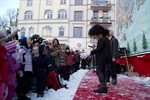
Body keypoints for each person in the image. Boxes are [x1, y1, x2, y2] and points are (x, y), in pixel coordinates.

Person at [81, 25, 111, 93]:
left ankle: (103, 87)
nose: (94, 36)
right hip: (105, 59)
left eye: (94, 35)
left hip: (101, 59)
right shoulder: (106, 39)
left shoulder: (101, 39)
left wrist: (90, 52)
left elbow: (99, 49)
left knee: (99, 71)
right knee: (102, 72)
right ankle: (103, 84)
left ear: (98, 33)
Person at [0, 28, 18, 100]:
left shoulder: (4, 52)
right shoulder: (2, 53)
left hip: (4, 78)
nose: (5, 43)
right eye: (4, 42)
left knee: (3, 94)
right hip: (1, 78)